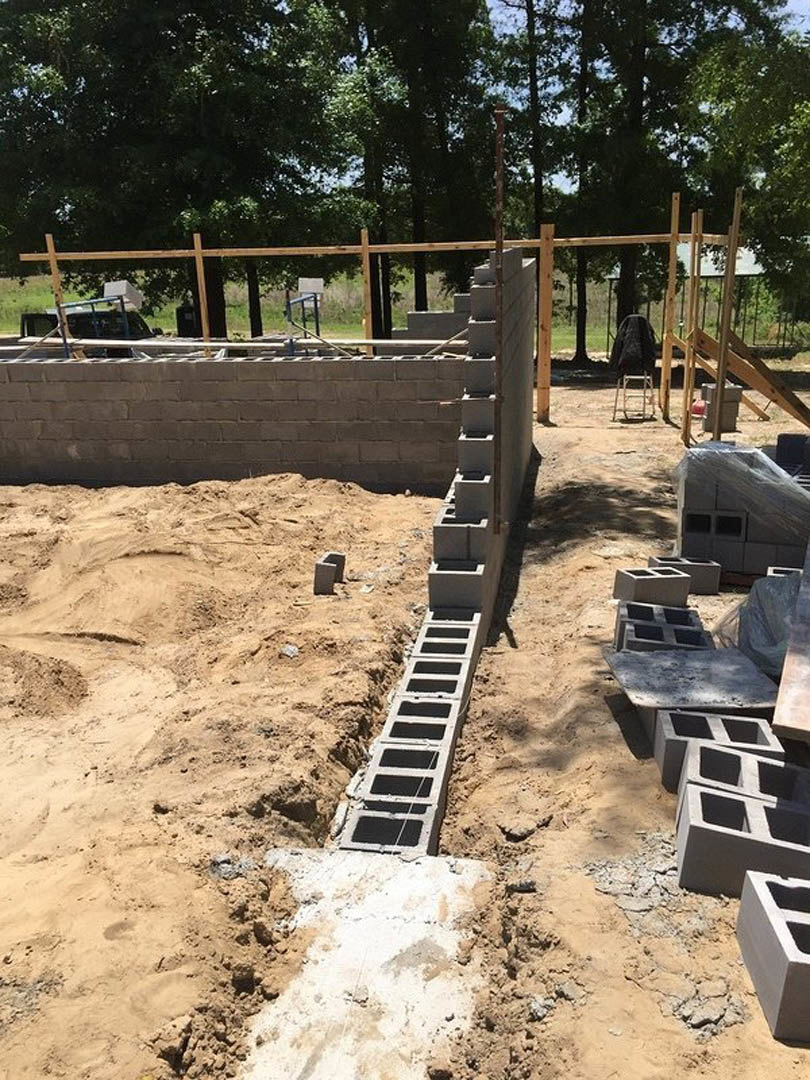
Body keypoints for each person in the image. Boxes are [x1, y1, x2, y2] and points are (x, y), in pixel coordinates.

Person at [609, 313, 657, 380]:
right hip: (645, 363)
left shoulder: (625, 330)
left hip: (624, 362)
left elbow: (617, 347)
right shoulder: (646, 336)